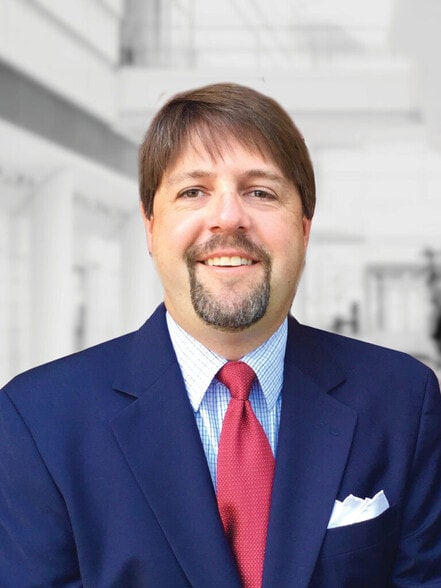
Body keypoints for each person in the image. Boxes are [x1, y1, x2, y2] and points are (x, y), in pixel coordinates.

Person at [1, 83, 441, 588]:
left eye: (260, 192)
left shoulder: (403, 401)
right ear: (150, 226)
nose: (228, 217)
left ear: (304, 227)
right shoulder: (36, 423)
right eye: (193, 191)